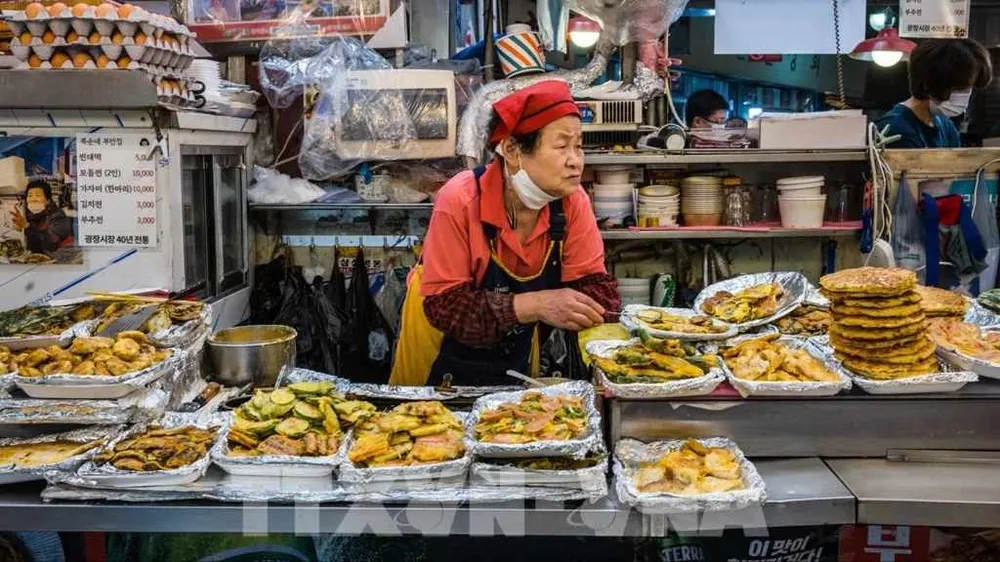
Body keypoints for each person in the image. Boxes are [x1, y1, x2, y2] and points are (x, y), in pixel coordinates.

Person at [391, 80, 619, 386]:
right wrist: (538, 304)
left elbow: (595, 288)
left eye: (578, 146)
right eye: (562, 146)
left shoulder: (572, 201)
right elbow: (447, 307)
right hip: (438, 349)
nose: (575, 161)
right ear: (512, 150)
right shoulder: (459, 199)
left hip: (517, 352)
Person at [876, 38, 993, 149]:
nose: (966, 95)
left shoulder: (946, 126)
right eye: (960, 88)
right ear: (931, 83)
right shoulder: (896, 129)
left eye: (970, 88)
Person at [10, 180, 75, 255]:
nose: (33, 199)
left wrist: (27, 226)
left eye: (38, 195)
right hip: (30, 257)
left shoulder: (58, 216)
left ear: (48, 200)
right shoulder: (28, 214)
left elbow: (50, 245)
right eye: (30, 195)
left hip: (52, 259)